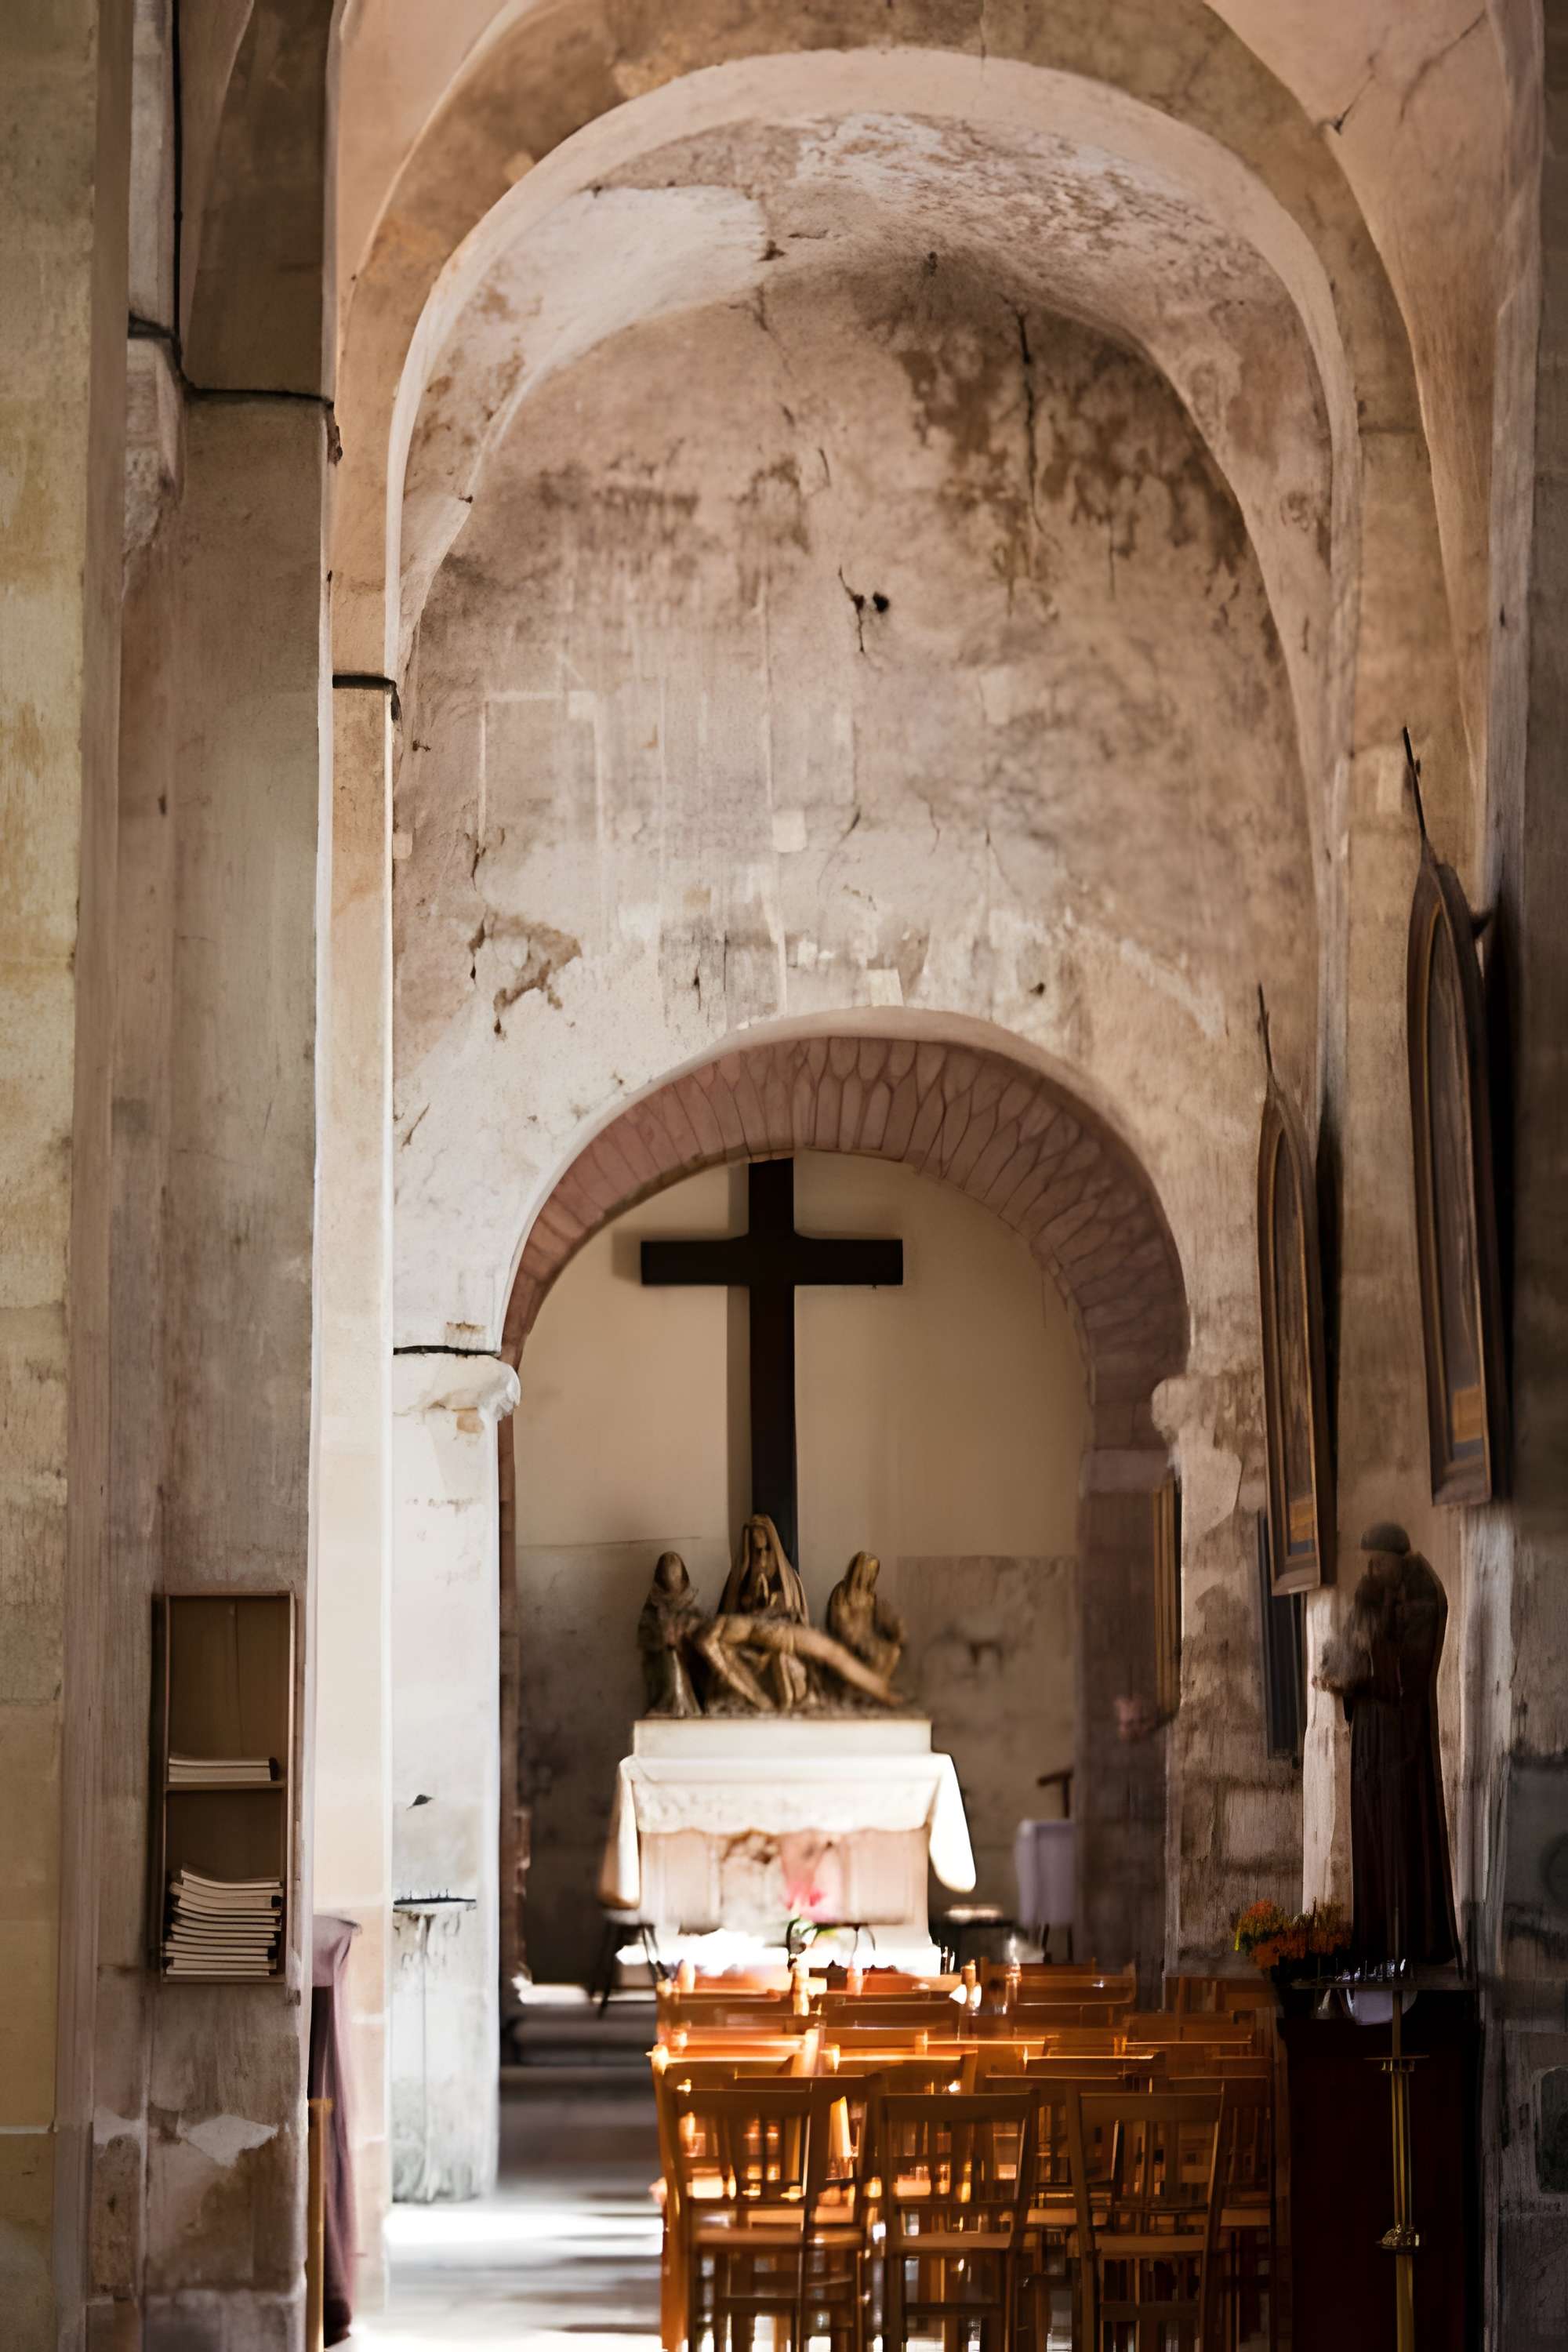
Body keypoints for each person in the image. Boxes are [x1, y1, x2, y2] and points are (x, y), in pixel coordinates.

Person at [1316, 1522, 1459, 1966]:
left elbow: (1407, 1678)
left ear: (1398, 1559)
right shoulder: (1371, 1594)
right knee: (1372, 1837)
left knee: (1403, 1839)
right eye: (1369, 1563)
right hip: (1370, 1739)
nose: (1372, 1571)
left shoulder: (1421, 1595)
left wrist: (1364, 1663)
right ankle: (1376, 1945)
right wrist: (1337, 1669)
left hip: (1402, 1741)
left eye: (1378, 1562)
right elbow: (1354, 1649)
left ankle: (1412, 1947)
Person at [636, 1552, 705, 1717]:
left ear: (682, 1576)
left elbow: (701, 1626)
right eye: (668, 1573)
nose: (672, 1577)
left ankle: (687, 1704)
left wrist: (684, 1633)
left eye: (675, 1573)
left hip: (687, 1652)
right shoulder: (654, 1604)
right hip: (662, 1653)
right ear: (661, 1577)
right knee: (668, 1665)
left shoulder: (690, 1601)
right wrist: (662, 1636)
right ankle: (665, 1704)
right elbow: (643, 1633)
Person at [826, 1552, 904, 1687]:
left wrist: (894, 1627)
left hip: (868, 1640)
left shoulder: (871, 1597)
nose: (871, 1575)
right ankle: (865, 1686)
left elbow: (876, 1624)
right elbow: (837, 1622)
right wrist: (857, 1639)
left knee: (894, 1653)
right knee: (875, 1657)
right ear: (858, 1570)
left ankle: (875, 1686)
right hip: (848, 1642)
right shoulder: (842, 1591)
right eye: (869, 1571)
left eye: (874, 1572)